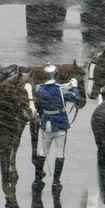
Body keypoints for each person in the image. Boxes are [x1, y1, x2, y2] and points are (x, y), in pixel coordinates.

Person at [34, 64, 80, 193]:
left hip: (46, 122)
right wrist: (75, 87)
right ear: (55, 75)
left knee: (43, 152)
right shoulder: (60, 89)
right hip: (59, 122)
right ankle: (56, 181)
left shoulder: (39, 89)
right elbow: (74, 97)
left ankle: (37, 179)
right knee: (60, 153)